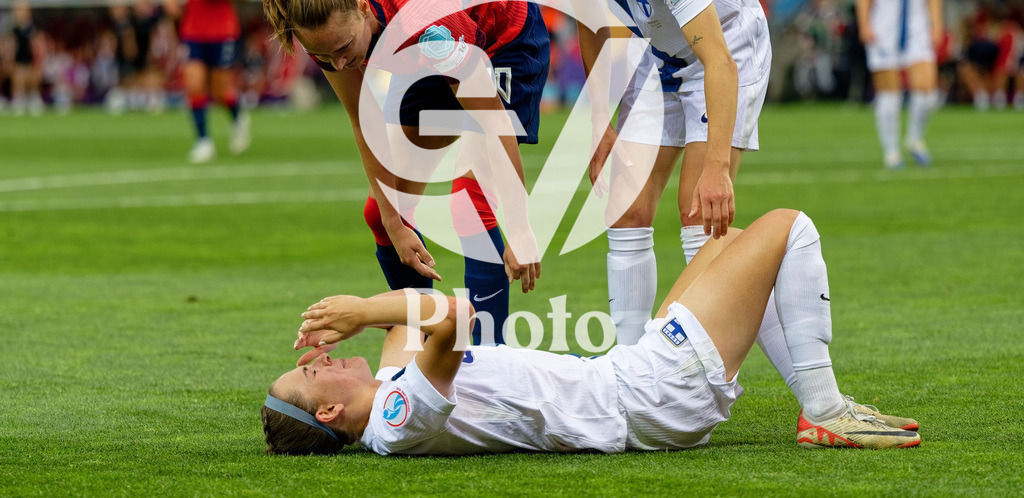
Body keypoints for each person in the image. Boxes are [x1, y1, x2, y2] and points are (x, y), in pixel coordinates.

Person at [261, 208, 921, 455]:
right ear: (327, 409)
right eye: (314, 370)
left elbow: (416, 307)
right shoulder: (399, 419)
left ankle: (819, 404)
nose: (325, 356)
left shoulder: (388, 390)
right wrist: (363, 308)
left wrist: (389, 234)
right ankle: (826, 411)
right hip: (648, 397)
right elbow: (454, 319)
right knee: (789, 226)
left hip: (632, 380)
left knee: (736, 240)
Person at [515, 0, 773, 349]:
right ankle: (628, 368)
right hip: (659, 53)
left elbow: (718, 60)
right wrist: (598, 125)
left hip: (723, 52)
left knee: (700, 211)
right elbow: (595, 27)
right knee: (625, 207)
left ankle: (702, 372)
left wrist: (718, 165)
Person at [260, 0, 551, 344]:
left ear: (362, 7)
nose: (340, 63)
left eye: (344, 48)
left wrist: (520, 226)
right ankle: (425, 344)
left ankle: (489, 366)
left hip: (504, 34)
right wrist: (396, 225)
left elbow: (492, 124)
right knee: (382, 212)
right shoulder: (322, 22)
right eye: (326, 58)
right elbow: (365, 124)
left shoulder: (430, 26)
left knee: (470, 205)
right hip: (418, 43)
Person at [855, 0, 944, 168]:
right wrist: (865, 25)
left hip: (917, 33)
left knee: (927, 91)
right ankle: (891, 151)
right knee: (889, 94)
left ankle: (915, 138)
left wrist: (937, 26)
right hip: (884, 33)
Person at [167, 0, 251, 164]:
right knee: (193, 84)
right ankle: (203, 142)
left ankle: (238, 117)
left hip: (223, 31)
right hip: (192, 32)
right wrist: (172, 0)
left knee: (220, 91)